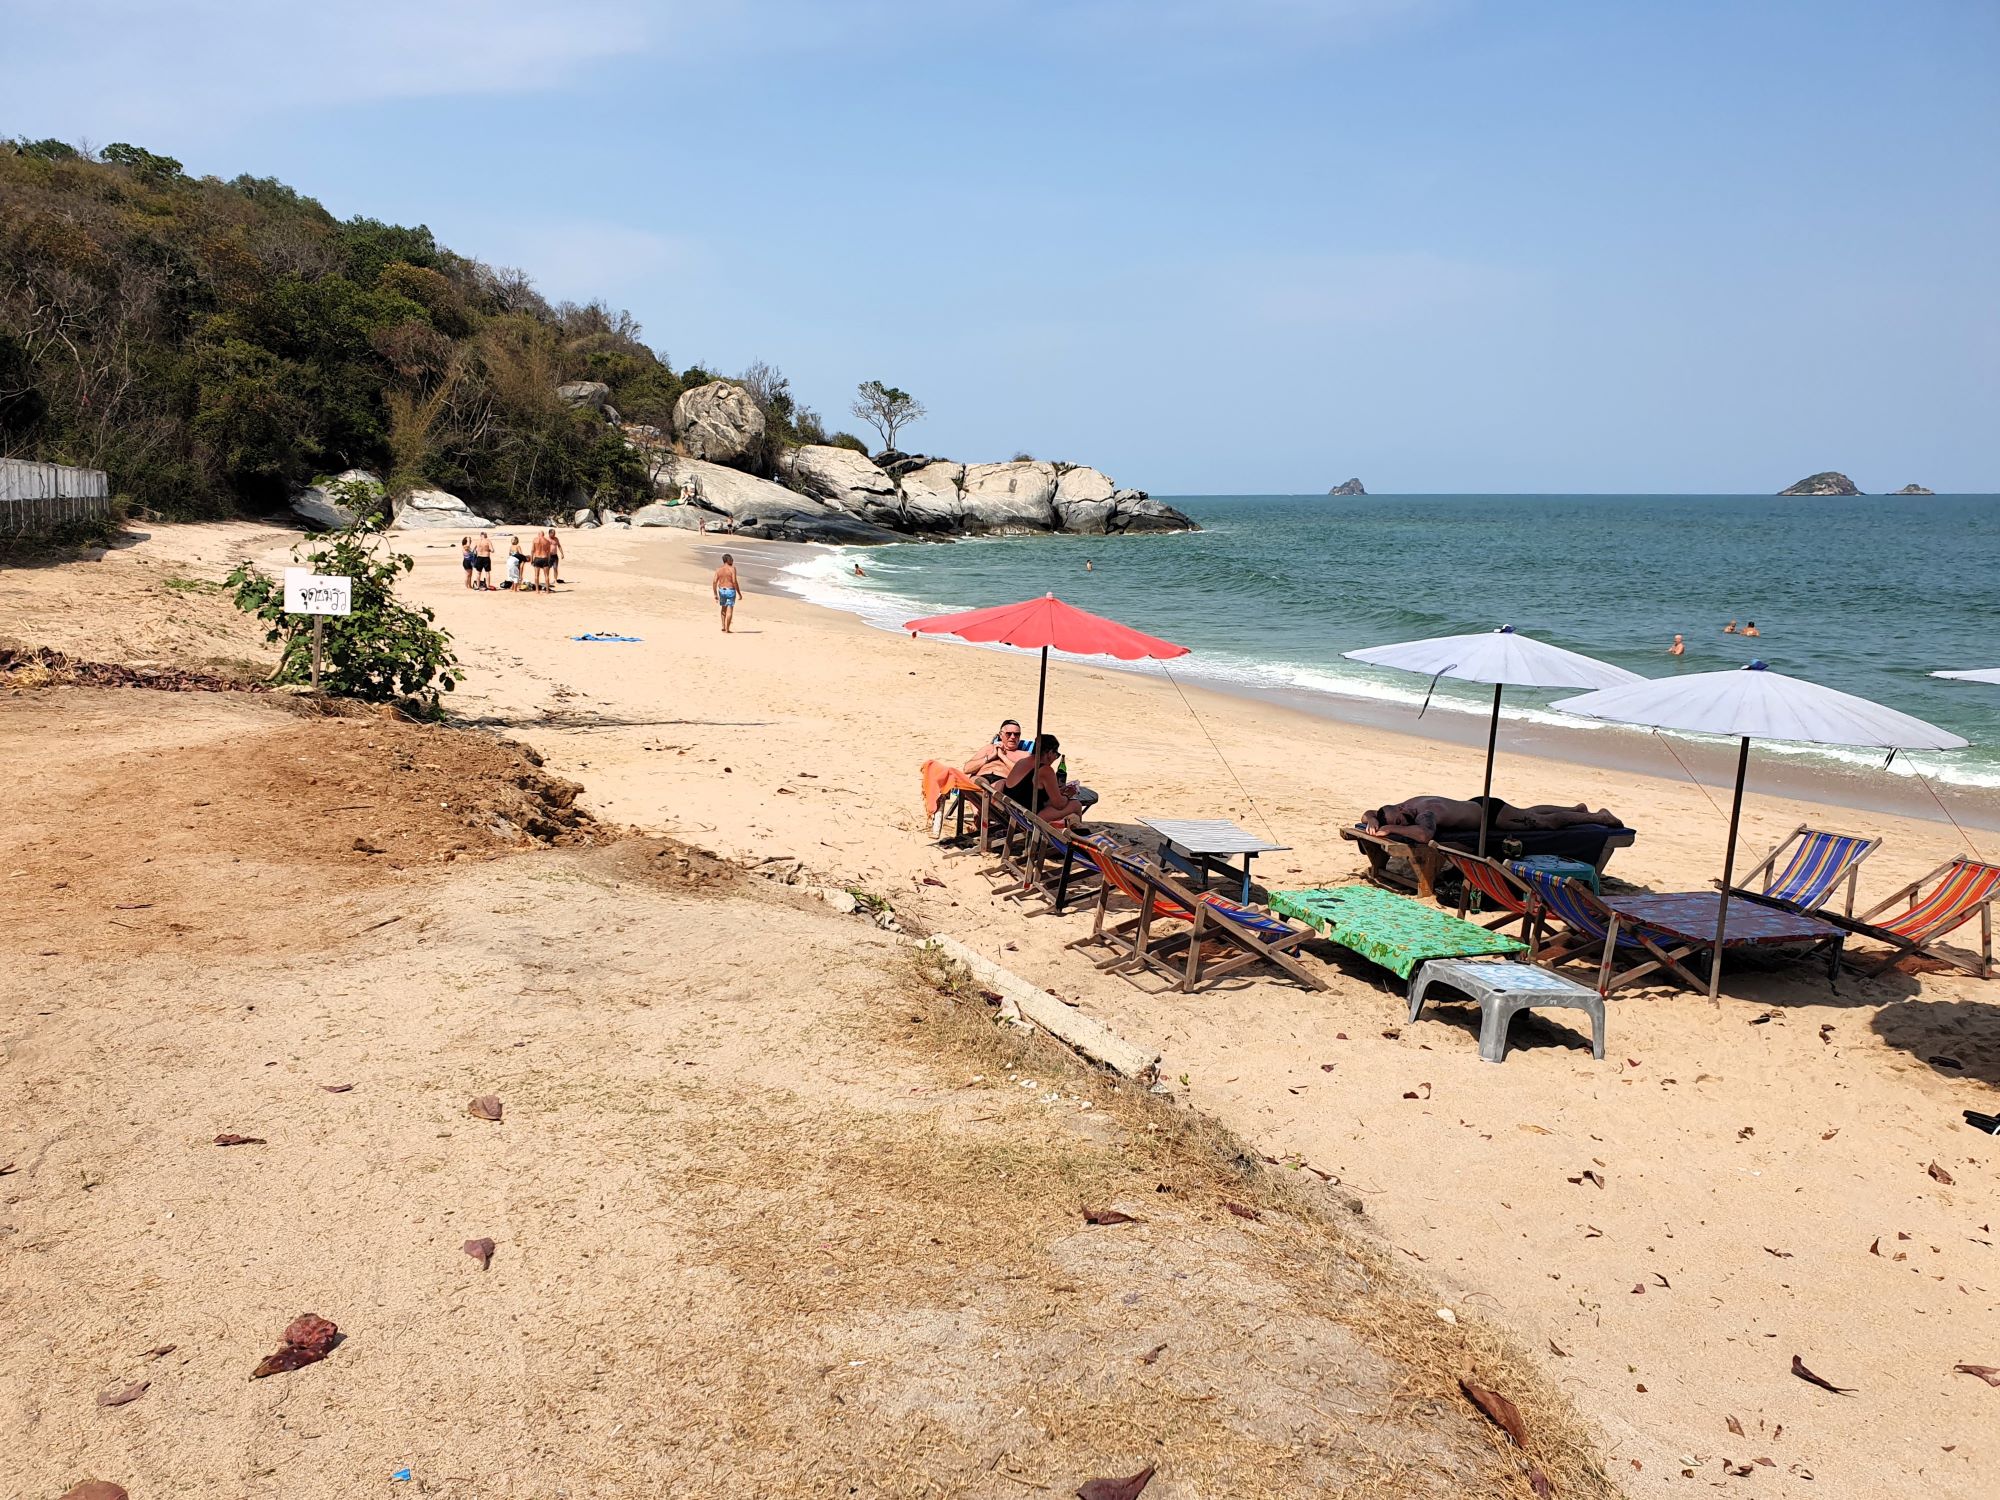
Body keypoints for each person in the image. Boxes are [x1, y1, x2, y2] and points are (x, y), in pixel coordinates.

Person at [1363, 796, 1624, 844]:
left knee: (1545, 824)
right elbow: (1370, 812)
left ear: (1401, 809)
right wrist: (1372, 819)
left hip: (1490, 815)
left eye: (1402, 821)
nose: (1404, 823)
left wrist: (1390, 827)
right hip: (1480, 806)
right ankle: (1576, 809)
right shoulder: (1404, 806)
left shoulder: (1425, 813)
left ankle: (1600, 817)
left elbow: (1424, 834)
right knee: (1528, 811)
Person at [1000, 733, 1085, 826]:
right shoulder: (1045, 770)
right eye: (1056, 755)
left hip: (1013, 812)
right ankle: (1078, 832)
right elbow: (1059, 804)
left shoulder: (1022, 762)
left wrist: (1059, 792)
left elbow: (1026, 791)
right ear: (1049, 753)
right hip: (1028, 818)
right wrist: (1068, 795)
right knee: (1076, 805)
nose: (1055, 758)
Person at [713, 552, 742, 632]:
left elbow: (714, 582)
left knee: (723, 608)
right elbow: (734, 581)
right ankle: (727, 629)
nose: (733, 560)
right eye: (731, 559)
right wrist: (739, 593)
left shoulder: (718, 569)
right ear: (728, 560)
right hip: (730, 591)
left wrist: (715, 593)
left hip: (722, 590)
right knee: (729, 610)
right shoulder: (732, 569)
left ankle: (723, 626)